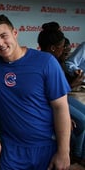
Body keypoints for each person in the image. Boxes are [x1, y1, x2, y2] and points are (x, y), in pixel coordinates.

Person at [0, 14, 71, 170]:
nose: (0, 43)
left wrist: (64, 152)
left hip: (45, 147)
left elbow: (61, 107)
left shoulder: (46, 62)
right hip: (12, 150)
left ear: (15, 33)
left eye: (3, 35)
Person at [37, 23, 85, 165]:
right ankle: (77, 155)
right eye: (62, 47)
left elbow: (61, 90)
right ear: (53, 48)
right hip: (52, 102)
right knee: (82, 122)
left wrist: (73, 83)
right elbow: (45, 94)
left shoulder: (55, 61)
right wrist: (63, 115)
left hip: (63, 97)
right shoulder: (43, 62)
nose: (64, 49)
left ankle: (80, 154)